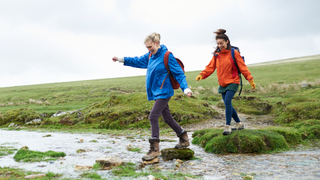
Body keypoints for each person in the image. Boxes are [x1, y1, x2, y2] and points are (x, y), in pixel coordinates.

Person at [112, 32, 193, 161]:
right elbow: (137, 61)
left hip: (164, 92)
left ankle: (155, 149)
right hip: (156, 92)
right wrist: (121, 59)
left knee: (153, 116)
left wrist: (185, 88)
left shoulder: (167, 56)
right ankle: (183, 138)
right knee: (167, 118)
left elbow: (179, 74)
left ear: (157, 43)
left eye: (150, 47)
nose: (149, 50)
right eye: (147, 48)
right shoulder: (150, 56)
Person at [196, 29, 256, 135]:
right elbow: (210, 67)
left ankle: (227, 126)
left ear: (227, 41)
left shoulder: (234, 53)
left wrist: (250, 79)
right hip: (222, 83)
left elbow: (243, 67)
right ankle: (239, 124)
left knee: (227, 101)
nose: (220, 45)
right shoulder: (217, 55)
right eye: (218, 44)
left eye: (221, 43)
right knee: (227, 104)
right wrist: (202, 75)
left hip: (233, 81)